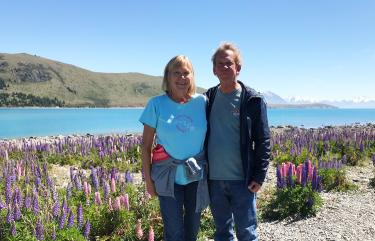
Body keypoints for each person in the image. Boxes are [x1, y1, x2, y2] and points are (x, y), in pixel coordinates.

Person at [205, 42, 271, 241]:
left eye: (229, 63)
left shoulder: (253, 100)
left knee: (247, 233)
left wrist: (259, 176)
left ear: (238, 68)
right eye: (220, 64)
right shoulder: (208, 97)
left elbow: (263, 140)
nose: (225, 67)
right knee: (222, 233)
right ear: (214, 69)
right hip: (214, 180)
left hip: (243, 180)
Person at [140, 55, 209, 241]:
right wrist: (148, 181)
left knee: (193, 229)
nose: (181, 77)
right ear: (167, 76)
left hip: (196, 174)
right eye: (176, 73)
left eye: (186, 73)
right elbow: (145, 146)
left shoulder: (202, 102)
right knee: (174, 231)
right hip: (167, 175)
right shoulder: (156, 104)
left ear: (192, 76)